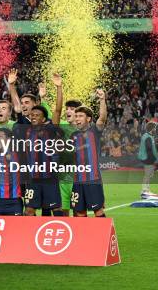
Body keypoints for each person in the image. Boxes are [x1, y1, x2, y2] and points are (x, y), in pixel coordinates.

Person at [18, 73, 64, 216]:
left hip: (50, 178)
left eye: (37, 115)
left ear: (44, 118)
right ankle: (29, 236)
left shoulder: (50, 129)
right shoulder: (26, 130)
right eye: (32, 115)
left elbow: (57, 110)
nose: (33, 117)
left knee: (56, 209)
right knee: (29, 210)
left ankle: (59, 233)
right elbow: (18, 108)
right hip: (32, 179)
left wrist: (59, 87)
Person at [70, 89, 108, 217]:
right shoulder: (73, 136)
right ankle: (82, 237)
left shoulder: (94, 131)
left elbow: (102, 118)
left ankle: (102, 236)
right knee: (79, 212)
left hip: (93, 179)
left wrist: (102, 100)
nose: (77, 119)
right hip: (77, 181)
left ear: (88, 119)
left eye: (80, 116)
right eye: (76, 116)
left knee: (98, 211)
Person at [139, 121, 158, 198]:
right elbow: (149, 149)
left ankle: (146, 190)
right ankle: (144, 190)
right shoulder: (147, 137)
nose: (156, 129)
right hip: (148, 158)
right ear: (152, 128)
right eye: (155, 128)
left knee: (149, 174)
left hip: (148, 158)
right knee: (148, 174)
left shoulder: (149, 136)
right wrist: (154, 159)